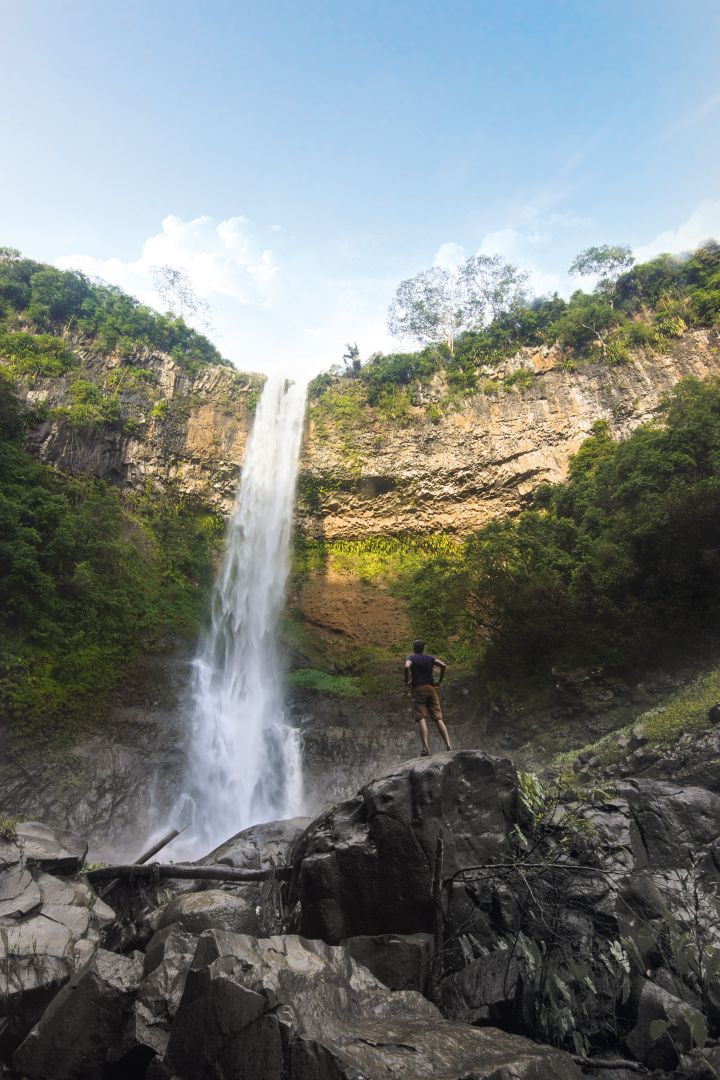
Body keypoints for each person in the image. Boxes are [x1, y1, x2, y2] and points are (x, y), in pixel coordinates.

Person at [404, 638, 452, 756]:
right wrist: (439, 681)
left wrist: (407, 679)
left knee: (421, 717)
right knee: (438, 718)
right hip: (431, 688)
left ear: (414, 648)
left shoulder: (412, 658)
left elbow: (406, 666)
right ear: (423, 648)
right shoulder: (430, 658)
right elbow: (443, 665)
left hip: (418, 689)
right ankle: (448, 745)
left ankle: (425, 748)